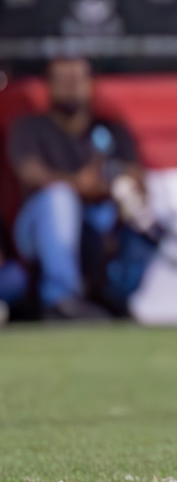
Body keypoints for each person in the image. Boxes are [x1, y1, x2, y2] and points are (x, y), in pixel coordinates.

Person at [5, 57, 158, 318]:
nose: (71, 86)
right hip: (39, 228)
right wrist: (79, 185)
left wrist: (117, 186)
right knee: (60, 198)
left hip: (98, 224)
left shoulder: (111, 130)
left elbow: (136, 176)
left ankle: (115, 296)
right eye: (63, 80)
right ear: (49, 86)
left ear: (90, 84)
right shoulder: (30, 128)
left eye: (77, 79)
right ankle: (61, 298)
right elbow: (30, 174)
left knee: (136, 209)